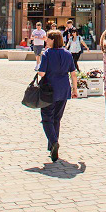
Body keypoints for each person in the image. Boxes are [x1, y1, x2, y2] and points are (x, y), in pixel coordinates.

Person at [36, 30, 78, 162]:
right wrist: (75, 89)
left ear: (53, 40)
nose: (46, 40)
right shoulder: (67, 53)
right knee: (57, 119)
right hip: (64, 89)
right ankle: (52, 147)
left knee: (47, 118)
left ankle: (54, 143)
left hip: (50, 90)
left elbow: (42, 73)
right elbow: (73, 73)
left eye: (48, 38)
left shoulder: (47, 53)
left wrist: (39, 70)